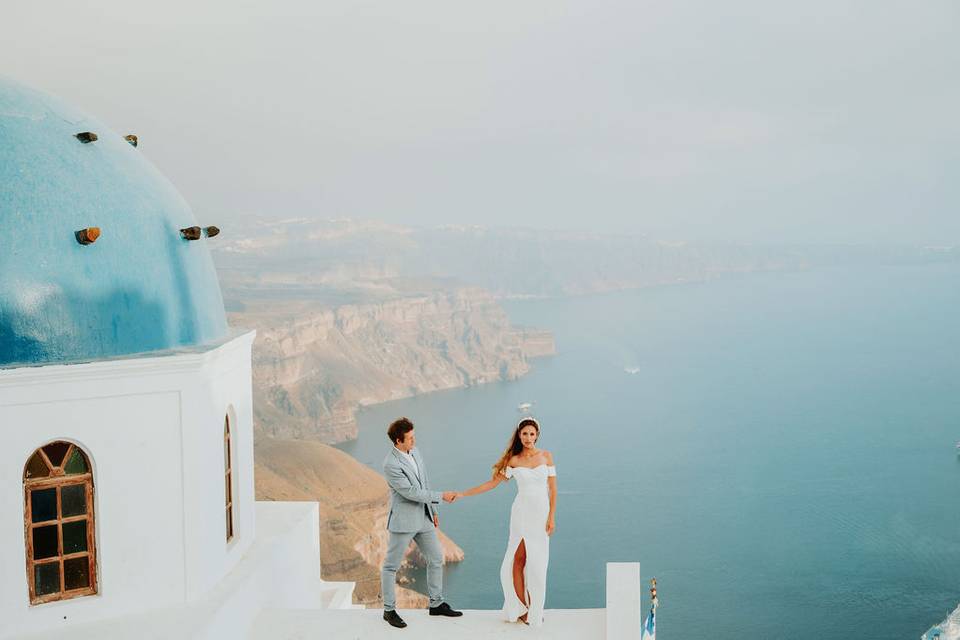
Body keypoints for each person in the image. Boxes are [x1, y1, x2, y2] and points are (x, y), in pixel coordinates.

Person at [456, 417, 557, 627]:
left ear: (537, 435)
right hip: (520, 514)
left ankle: (536, 609)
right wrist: (463, 494)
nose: (528, 437)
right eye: (524, 434)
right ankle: (522, 609)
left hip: (540, 515)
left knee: (538, 565)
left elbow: (553, 489)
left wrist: (551, 517)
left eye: (532, 433)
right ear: (519, 436)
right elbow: (492, 483)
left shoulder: (546, 456)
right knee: (515, 562)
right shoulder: (513, 460)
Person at [381, 417, 463, 629]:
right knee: (390, 566)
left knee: (436, 558)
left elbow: (424, 481)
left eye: (414, 436)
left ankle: (436, 604)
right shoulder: (390, 464)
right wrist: (441, 496)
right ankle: (389, 611)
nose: (414, 442)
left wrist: (433, 510)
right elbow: (411, 492)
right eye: (410, 439)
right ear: (398, 441)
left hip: (424, 517)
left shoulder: (415, 452)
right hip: (404, 521)